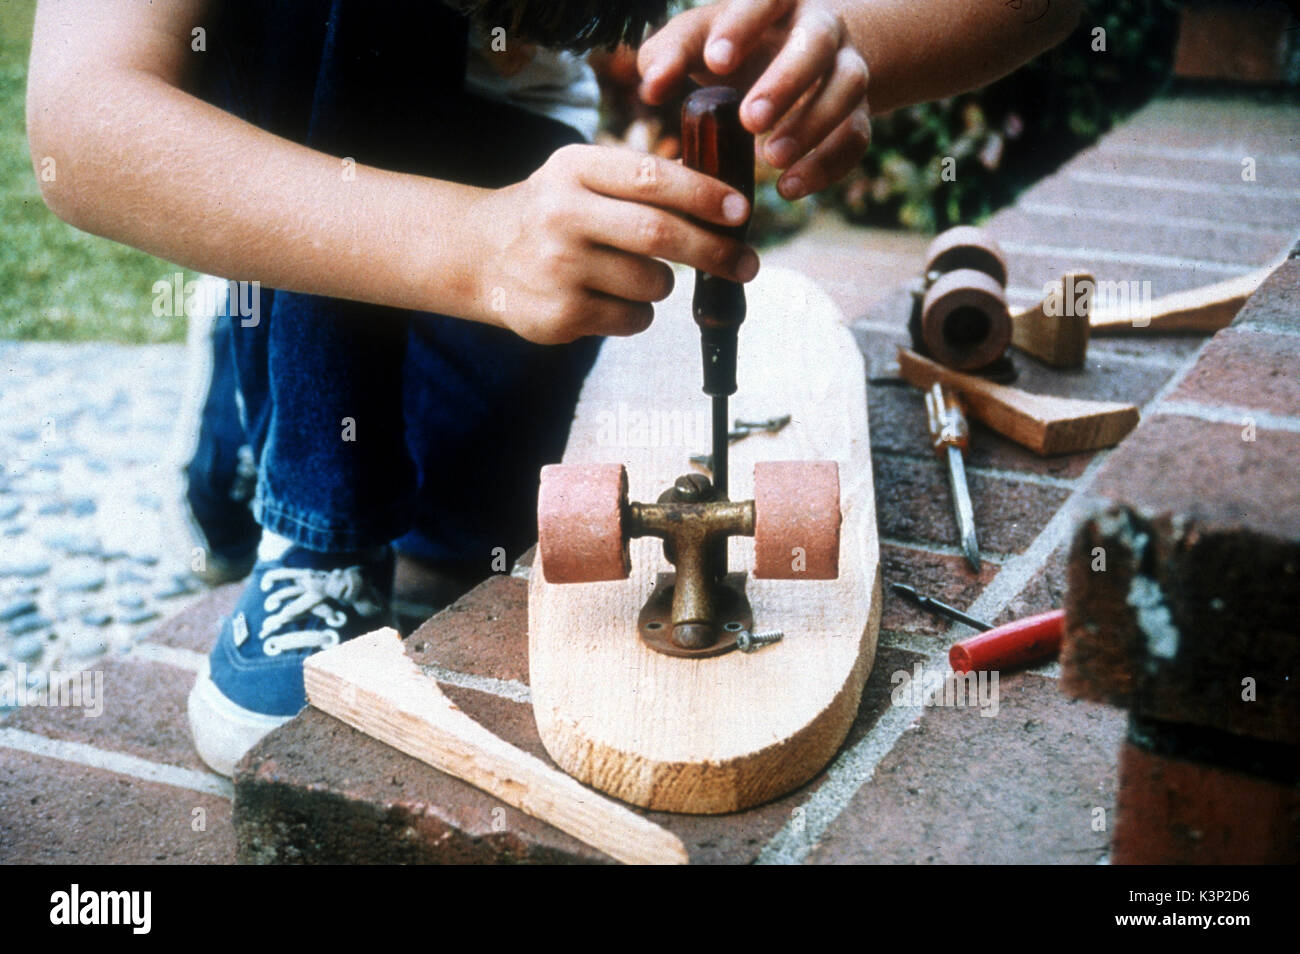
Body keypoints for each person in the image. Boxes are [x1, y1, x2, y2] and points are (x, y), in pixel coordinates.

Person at [27, 0, 1082, 775]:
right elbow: (76, 124)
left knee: (471, 523)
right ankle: (309, 492)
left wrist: (850, 39)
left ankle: (334, 407)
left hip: (509, 180)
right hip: (327, 200)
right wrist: (473, 249)